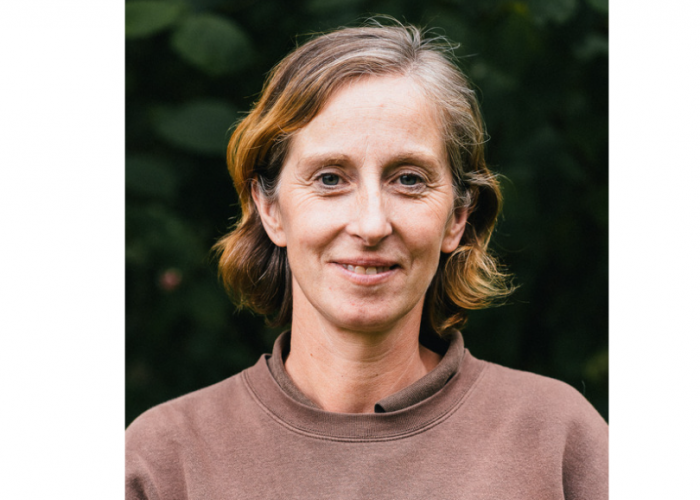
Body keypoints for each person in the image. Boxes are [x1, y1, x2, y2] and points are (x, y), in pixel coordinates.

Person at [126, 20, 608, 499]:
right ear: (270, 209)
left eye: (410, 179)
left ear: (458, 216)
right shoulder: (166, 460)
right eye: (331, 179)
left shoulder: (556, 439)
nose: (372, 224)